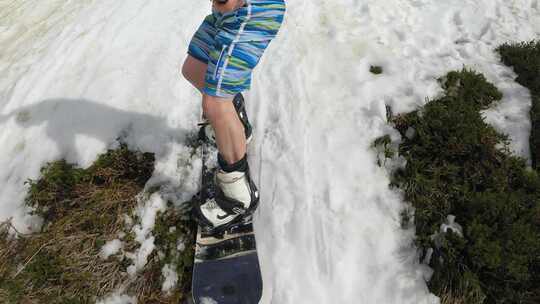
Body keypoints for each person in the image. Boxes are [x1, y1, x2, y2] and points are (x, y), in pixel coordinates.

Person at [182, 0, 286, 230]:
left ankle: (238, 197)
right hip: (228, 11)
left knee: (216, 102)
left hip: (250, 10)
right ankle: (235, 123)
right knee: (194, 68)